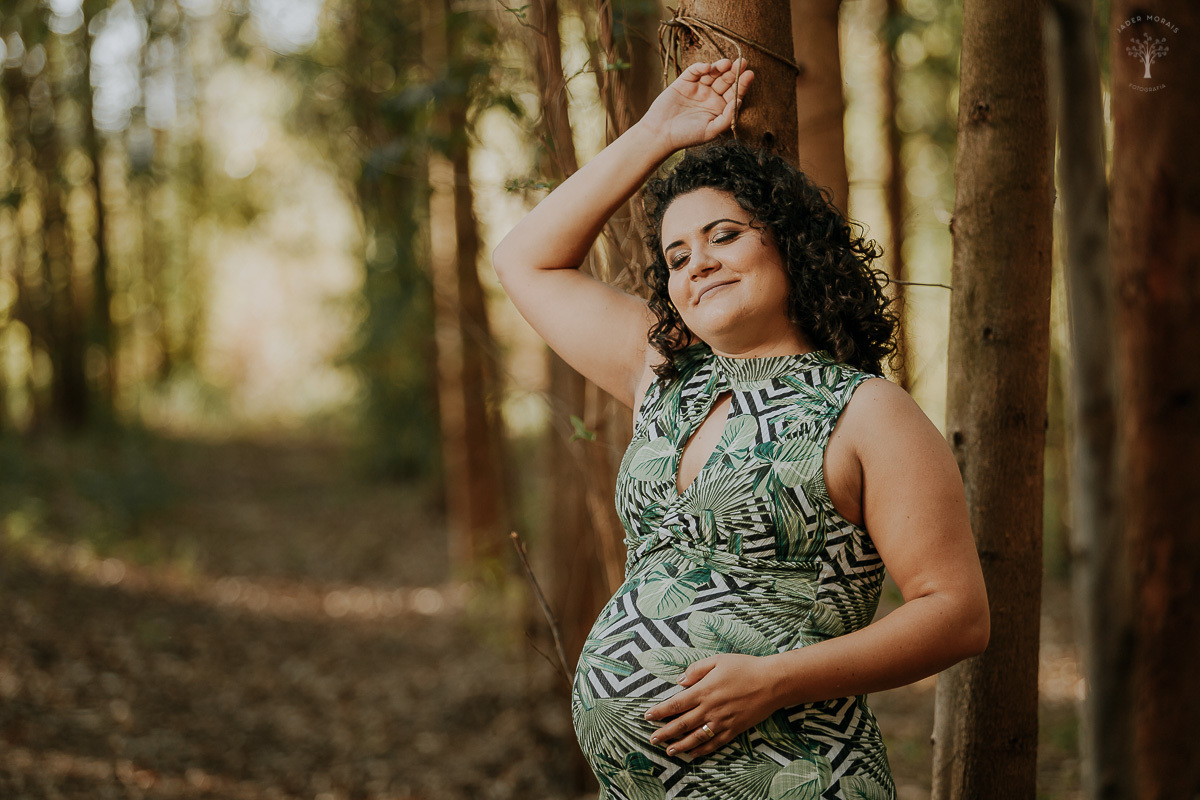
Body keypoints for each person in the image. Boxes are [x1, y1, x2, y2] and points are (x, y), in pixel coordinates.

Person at [492, 59, 988, 799]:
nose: (700, 265)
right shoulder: (663, 374)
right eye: (678, 256)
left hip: (798, 775)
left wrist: (771, 681)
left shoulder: (866, 411)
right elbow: (523, 259)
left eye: (725, 235)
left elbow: (956, 615)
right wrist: (658, 133)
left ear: (787, 243)